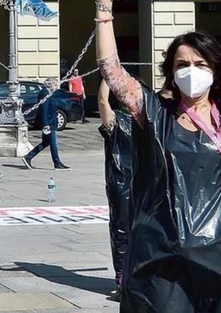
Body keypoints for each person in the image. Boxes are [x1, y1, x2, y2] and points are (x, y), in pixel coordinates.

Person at [95, 0, 221, 312]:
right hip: (165, 258)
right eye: (181, 65)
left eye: (199, 63)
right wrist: (104, 5)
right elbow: (111, 70)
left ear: (215, 68)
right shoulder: (154, 113)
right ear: (171, 71)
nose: (190, 71)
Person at [97, 79, 134, 300]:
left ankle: (133, 278)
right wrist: (109, 76)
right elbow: (102, 101)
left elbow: (102, 100)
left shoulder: (148, 120)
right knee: (122, 232)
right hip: (122, 183)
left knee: (136, 233)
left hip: (139, 184)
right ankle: (122, 280)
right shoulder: (117, 121)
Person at [23, 78, 70, 170]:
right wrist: (45, 123)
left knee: (45, 142)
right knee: (53, 144)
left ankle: (28, 157)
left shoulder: (47, 93)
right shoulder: (45, 93)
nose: (56, 87)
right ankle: (57, 163)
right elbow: (43, 109)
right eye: (55, 85)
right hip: (49, 123)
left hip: (50, 122)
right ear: (50, 84)